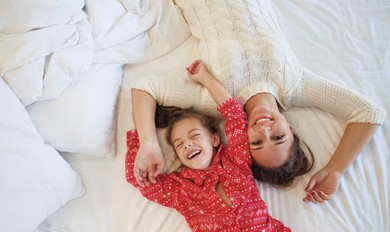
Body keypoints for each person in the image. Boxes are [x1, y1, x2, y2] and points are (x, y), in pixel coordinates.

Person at [130, 0, 385, 203]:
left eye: (256, 142)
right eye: (278, 137)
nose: (265, 129)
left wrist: (149, 142)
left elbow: (145, 87)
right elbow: (369, 113)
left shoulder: (216, 101)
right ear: (291, 129)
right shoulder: (296, 85)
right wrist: (336, 169)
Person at [125, 60, 292, 232]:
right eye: (179, 144)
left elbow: (235, 115)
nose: (187, 144)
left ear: (214, 139)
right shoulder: (181, 190)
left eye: (194, 136)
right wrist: (143, 141)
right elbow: (142, 181)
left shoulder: (237, 161)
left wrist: (205, 78)